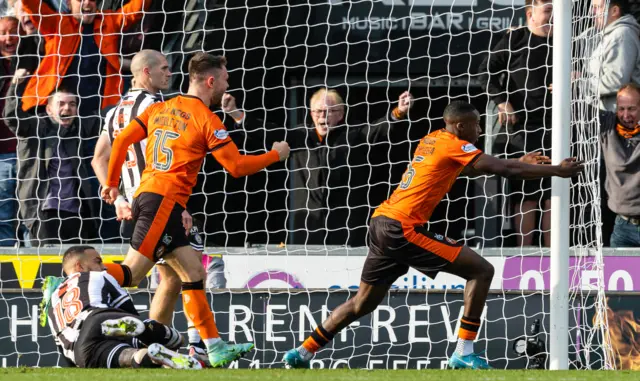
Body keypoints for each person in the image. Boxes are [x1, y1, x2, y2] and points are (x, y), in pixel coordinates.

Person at [282, 101, 583, 370]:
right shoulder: (453, 143)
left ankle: (302, 352)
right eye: (477, 123)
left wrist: (522, 163)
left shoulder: (432, 140)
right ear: (461, 126)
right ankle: (464, 351)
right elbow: (504, 169)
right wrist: (557, 170)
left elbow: (467, 170)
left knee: (363, 303)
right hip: (402, 228)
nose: (480, 128)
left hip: (382, 222)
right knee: (481, 270)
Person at [100, 52, 290, 367]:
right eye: (226, 80)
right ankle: (71, 279)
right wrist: (274, 154)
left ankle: (212, 347)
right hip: (162, 203)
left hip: (160, 202)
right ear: (211, 81)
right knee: (132, 274)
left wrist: (111, 182)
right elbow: (237, 166)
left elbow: (120, 142)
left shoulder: (161, 107)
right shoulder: (206, 118)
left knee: (193, 272)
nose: (227, 85)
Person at [91, 49, 210, 363]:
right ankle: (200, 348)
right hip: (159, 202)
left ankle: (160, 348)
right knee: (183, 271)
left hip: (133, 205)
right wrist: (179, 204)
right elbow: (168, 157)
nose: (169, 74)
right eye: (164, 68)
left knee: (173, 275)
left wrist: (116, 197)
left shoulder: (113, 112)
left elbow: (98, 158)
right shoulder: (159, 106)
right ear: (146, 72)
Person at [224, 88, 413, 246]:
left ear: (341, 114)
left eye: (330, 111)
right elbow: (267, 131)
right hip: (307, 225)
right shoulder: (300, 136)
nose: (323, 116)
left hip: (346, 224)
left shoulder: (354, 134)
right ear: (311, 113)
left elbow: (378, 130)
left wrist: (399, 111)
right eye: (318, 111)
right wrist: (235, 113)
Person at [39, 245, 201, 369]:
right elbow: (128, 310)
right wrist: (148, 330)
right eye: (98, 261)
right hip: (99, 320)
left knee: (128, 357)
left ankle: (146, 355)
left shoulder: (52, 300)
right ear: (79, 266)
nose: (104, 266)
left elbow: (61, 346)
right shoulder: (98, 276)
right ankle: (170, 341)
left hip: (80, 349)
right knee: (143, 329)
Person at [478, 0, 554, 247]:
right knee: (528, 196)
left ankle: (553, 253)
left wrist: (574, 79)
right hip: (524, 129)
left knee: (555, 194)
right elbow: (485, 72)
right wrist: (502, 101)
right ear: (530, 14)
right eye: (549, 10)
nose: (553, 16)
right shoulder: (515, 40)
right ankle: (527, 253)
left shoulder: (566, 42)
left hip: (559, 128)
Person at [4, 71, 100, 246]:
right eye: (61, 104)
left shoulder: (79, 129)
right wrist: (15, 86)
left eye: (72, 104)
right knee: (47, 265)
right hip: (43, 212)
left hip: (75, 213)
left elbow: (105, 117)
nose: (67, 108)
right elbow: (12, 117)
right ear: (48, 109)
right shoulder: (35, 127)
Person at [20, 0, 150, 115]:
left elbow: (137, 8)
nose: (87, 3)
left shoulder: (109, 21)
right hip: (60, 110)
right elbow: (32, 5)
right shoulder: (57, 23)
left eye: (92, 0)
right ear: (69, 4)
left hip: (98, 109)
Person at [599, 84, 640, 247]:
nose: (625, 115)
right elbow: (580, 109)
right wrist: (566, 90)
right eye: (621, 109)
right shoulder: (608, 125)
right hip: (622, 227)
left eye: (632, 109)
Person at [588, 0, 640, 112]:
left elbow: (616, 81)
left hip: (618, 118)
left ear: (614, 11)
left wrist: (581, 83)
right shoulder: (609, 34)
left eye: (597, 7)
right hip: (607, 115)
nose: (592, 12)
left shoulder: (622, 34)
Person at [0, 16, 19, 247]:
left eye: (13, 32)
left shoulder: (35, 62)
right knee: (3, 216)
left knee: (28, 217)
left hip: (32, 152)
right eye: (3, 33)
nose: (8, 37)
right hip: (3, 153)